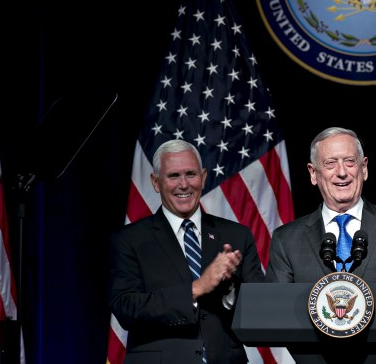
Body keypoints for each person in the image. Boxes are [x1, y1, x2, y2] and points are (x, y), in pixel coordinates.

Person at [266, 126, 376, 363]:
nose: (342, 172)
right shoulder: (287, 239)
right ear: (313, 173)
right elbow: (276, 314)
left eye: (350, 161)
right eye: (330, 163)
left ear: (364, 168)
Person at [108, 139, 266, 364]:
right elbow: (127, 308)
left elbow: (258, 314)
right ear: (155, 182)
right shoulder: (129, 240)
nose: (184, 184)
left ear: (203, 177)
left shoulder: (237, 236)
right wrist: (198, 288)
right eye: (173, 176)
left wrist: (229, 294)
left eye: (191, 174)